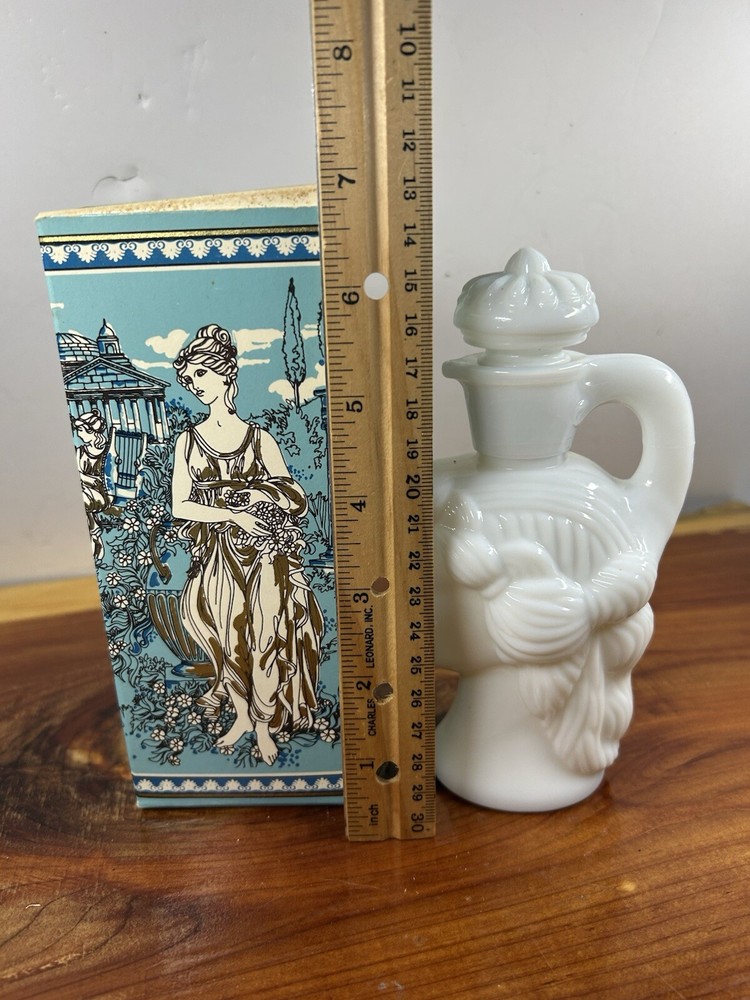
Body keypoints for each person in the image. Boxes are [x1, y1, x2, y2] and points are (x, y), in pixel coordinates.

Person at [172, 323, 323, 764]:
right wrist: (232, 514)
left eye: (201, 374)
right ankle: (240, 717)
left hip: (265, 556)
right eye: (190, 379)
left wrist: (259, 495)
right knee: (229, 641)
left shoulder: (259, 438)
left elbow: (296, 497)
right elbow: (181, 504)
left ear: (225, 373)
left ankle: (263, 725)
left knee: (264, 639)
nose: (195, 385)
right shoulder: (188, 441)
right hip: (219, 555)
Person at [74, 408, 112, 562]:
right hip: (86, 490)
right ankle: (95, 535)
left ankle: (94, 537)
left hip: (101, 494)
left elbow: (106, 479)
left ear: (91, 431)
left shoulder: (107, 451)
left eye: (80, 430)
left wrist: (88, 479)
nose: (78, 434)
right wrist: (88, 479)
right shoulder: (80, 451)